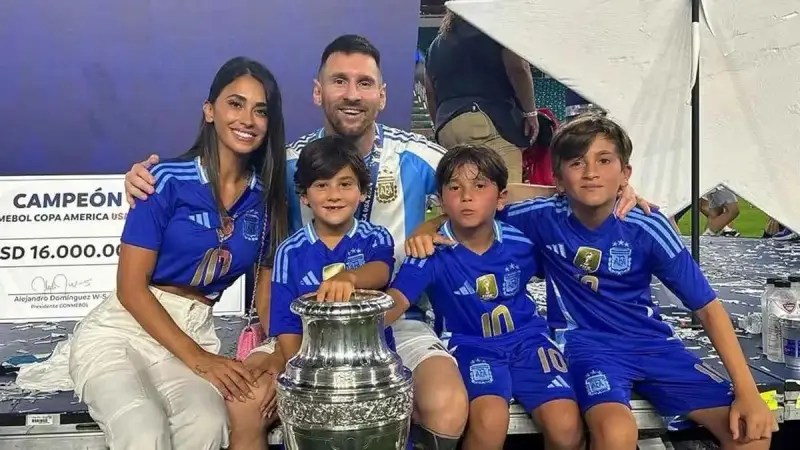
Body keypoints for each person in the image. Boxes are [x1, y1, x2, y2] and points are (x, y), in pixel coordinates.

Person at [120, 35, 645, 448]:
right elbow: (221, 178)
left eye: (365, 83)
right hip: (300, 329)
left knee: (447, 406)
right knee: (243, 406)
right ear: (318, 92)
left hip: (399, 319)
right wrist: (143, 177)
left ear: (383, 94)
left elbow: (491, 188)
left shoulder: (417, 156)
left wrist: (599, 190)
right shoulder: (288, 165)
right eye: (339, 81)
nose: (352, 94)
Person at [408, 114, 777, 450]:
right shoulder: (543, 216)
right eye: (576, 163)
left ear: (626, 173)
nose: (591, 173)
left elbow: (708, 308)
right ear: (558, 178)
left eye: (604, 161)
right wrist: (430, 226)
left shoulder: (648, 225)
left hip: (653, 344)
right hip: (586, 346)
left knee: (751, 434)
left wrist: (747, 392)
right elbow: (485, 199)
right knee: (615, 433)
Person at [66, 57, 288, 450]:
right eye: (235, 104)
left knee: (208, 426)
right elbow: (130, 289)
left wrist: (280, 354)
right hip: (126, 329)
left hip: (196, 330)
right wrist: (200, 359)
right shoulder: (165, 179)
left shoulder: (266, 198)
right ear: (210, 111)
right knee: (143, 431)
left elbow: (267, 295)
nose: (247, 119)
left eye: (260, 110)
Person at [386, 145, 584, 450]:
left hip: (529, 340)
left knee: (566, 425)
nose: (467, 196)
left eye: (480, 186)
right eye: (455, 188)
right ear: (440, 201)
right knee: (490, 421)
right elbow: (396, 300)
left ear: (501, 198)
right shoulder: (430, 251)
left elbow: (565, 259)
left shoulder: (522, 242)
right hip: (470, 345)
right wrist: (352, 328)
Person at [268, 135, 401, 362]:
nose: (334, 196)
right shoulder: (289, 251)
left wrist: (349, 278)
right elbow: (286, 323)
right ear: (304, 195)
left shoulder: (375, 237)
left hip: (371, 359)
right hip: (313, 362)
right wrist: (301, 370)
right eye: (321, 185)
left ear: (362, 192)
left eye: (345, 184)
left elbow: (381, 271)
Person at [425, 9, 539, 184]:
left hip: (447, 126)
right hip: (488, 119)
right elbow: (518, 68)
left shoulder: (436, 44)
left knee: (464, 193)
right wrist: (530, 113)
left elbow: (430, 92)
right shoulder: (498, 31)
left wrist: (441, 125)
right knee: (507, 193)